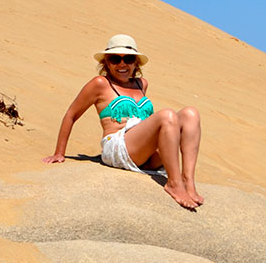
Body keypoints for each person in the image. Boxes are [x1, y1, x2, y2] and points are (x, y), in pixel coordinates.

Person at [42, 34, 204, 210]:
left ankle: (188, 180)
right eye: (114, 59)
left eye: (128, 59)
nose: (122, 64)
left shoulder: (142, 84)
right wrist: (59, 152)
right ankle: (174, 183)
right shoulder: (100, 84)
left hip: (146, 151)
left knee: (191, 114)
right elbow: (71, 114)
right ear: (107, 63)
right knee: (167, 115)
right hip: (118, 146)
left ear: (136, 63)